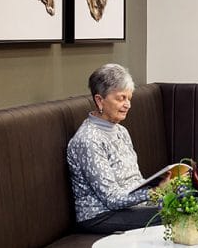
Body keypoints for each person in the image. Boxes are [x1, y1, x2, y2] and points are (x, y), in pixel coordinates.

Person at [67, 64, 170, 234]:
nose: (127, 105)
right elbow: (112, 199)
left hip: (129, 207)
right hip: (100, 215)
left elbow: (135, 180)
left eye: (129, 98)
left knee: (193, 199)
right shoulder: (88, 140)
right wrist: (154, 192)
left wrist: (162, 188)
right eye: (121, 98)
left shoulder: (121, 131)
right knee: (178, 212)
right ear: (100, 100)